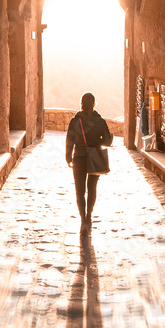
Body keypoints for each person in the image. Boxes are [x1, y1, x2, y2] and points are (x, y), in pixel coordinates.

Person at [66, 92, 113, 233]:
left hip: (79, 158)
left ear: (81, 104)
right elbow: (107, 141)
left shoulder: (75, 121)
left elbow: (70, 141)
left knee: (80, 191)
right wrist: (98, 141)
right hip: (94, 158)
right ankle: (89, 216)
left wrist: (68, 157)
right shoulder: (100, 121)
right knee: (92, 188)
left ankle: (83, 221)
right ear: (94, 105)